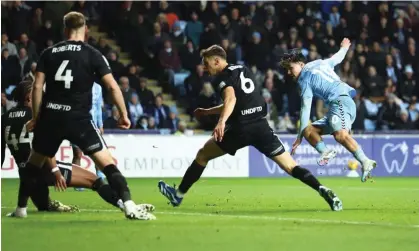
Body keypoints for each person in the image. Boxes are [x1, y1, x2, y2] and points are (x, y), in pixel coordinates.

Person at [158, 45, 342, 211]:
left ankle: (178, 195)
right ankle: (321, 188)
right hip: (261, 126)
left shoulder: (222, 78)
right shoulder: (242, 69)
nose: (205, 68)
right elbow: (237, 102)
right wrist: (208, 112)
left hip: (240, 129)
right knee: (290, 166)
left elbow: (231, 100)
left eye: (207, 63)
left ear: (217, 60)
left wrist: (221, 122)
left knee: (203, 155)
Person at [25, 12, 155, 220]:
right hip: (78, 118)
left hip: (52, 118)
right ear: (86, 30)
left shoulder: (49, 53)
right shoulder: (92, 54)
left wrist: (36, 116)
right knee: (107, 164)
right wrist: (123, 114)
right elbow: (113, 87)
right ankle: (129, 205)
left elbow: (37, 86)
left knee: (32, 167)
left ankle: (21, 209)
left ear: (65, 30)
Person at [1, 81, 155, 218]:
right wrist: (55, 171)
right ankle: (126, 205)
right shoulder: (38, 116)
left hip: (26, 178)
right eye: (37, 95)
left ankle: (34, 206)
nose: (40, 98)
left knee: (44, 206)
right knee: (96, 181)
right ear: (29, 98)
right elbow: (43, 147)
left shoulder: (4, 118)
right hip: (46, 168)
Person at [280, 38, 376, 182]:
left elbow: (305, 108)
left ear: (300, 64)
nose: (289, 72)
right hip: (337, 106)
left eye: (290, 68)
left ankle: (365, 161)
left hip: (341, 102)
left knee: (340, 135)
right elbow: (336, 58)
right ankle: (326, 152)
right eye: (287, 69)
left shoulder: (304, 79)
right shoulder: (319, 63)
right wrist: (344, 48)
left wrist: (298, 138)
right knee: (309, 130)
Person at [72, 82, 105, 192]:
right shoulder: (76, 83)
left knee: (97, 152)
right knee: (77, 154)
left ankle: (100, 176)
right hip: (77, 123)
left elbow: (98, 107)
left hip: (92, 125)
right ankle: (76, 180)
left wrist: (100, 125)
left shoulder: (98, 87)